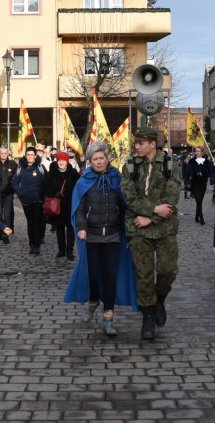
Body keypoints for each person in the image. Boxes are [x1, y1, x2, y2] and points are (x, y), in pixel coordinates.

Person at [65, 141, 137, 336]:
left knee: (111, 276)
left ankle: (108, 317)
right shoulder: (84, 181)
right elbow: (78, 208)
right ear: (89, 161)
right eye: (95, 159)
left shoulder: (117, 179)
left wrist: (129, 233)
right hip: (91, 237)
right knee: (93, 276)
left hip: (113, 236)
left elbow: (124, 208)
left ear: (107, 159)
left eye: (101, 158)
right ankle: (94, 299)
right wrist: (81, 227)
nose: (98, 162)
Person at [122, 126, 181, 340]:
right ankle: (148, 316)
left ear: (152, 144)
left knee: (168, 270)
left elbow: (172, 198)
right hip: (138, 228)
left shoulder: (169, 164)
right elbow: (129, 197)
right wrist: (153, 210)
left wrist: (152, 217)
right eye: (135, 142)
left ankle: (160, 298)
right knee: (144, 275)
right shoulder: (130, 166)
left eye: (141, 143)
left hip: (164, 228)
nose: (136, 146)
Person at [12, 145, 48, 256]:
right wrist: (20, 193)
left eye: (32, 155)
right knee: (30, 223)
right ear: (25, 156)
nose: (30, 157)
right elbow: (14, 182)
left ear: (35, 156)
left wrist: (43, 194)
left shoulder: (40, 167)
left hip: (38, 200)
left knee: (36, 222)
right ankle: (31, 244)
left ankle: (36, 245)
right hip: (26, 201)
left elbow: (46, 182)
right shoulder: (20, 168)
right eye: (28, 155)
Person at [43, 151, 79, 260]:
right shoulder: (51, 173)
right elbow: (45, 187)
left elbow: (78, 187)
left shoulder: (73, 173)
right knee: (59, 229)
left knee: (70, 228)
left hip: (70, 205)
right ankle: (61, 250)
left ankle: (70, 251)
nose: (61, 162)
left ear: (67, 161)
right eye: (59, 160)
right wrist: (54, 194)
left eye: (63, 160)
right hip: (57, 205)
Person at [0, 147, 18, 237]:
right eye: (2, 153)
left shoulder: (13, 164)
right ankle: (1, 230)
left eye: (5, 153)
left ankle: (6, 233)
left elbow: (16, 178)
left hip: (9, 192)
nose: (3, 154)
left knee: (8, 214)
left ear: (8, 153)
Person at [184, 147, 214, 225]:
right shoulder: (192, 161)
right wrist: (195, 173)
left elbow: (209, 172)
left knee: (200, 201)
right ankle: (201, 218)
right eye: (196, 151)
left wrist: (203, 173)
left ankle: (196, 217)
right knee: (198, 200)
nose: (197, 152)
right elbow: (188, 171)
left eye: (199, 151)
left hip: (203, 183)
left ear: (202, 152)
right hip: (195, 183)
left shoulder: (206, 161)